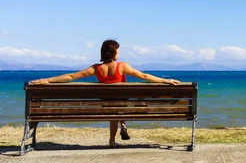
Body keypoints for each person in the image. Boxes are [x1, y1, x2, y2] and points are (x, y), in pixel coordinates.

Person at [30, 39, 180, 147]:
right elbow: (144, 76)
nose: (119, 53)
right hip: (123, 103)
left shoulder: (96, 68)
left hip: (106, 104)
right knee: (120, 105)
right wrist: (165, 81)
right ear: (113, 52)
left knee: (112, 108)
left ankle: (112, 140)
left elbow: (71, 77)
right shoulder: (122, 66)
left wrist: (47, 80)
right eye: (118, 51)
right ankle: (123, 124)